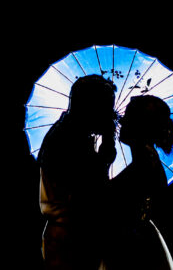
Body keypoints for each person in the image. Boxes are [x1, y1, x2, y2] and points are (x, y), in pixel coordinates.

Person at [38, 74, 118, 270]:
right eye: (107, 107)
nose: (112, 114)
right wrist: (106, 150)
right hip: (70, 241)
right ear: (91, 107)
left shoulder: (72, 132)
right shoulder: (69, 140)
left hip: (72, 236)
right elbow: (91, 190)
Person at [102, 95, 173, 270]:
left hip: (135, 254)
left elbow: (104, 199)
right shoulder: (147, 158)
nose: (121, 120)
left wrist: (104, 160)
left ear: (141, 125)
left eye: (127, 116)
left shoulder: (145, 163)